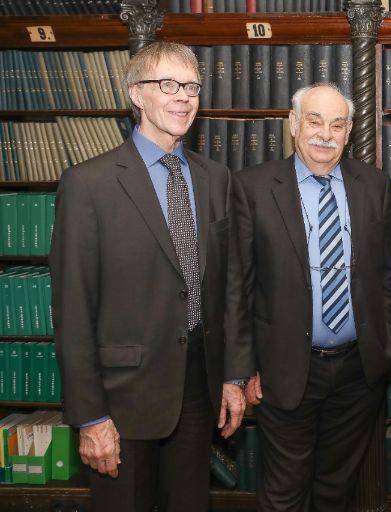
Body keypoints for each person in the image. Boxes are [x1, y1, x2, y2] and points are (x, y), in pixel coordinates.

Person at [50, 41, 253, 512]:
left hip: (198, 390)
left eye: (191, 87)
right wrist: (90, 416)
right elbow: (73, 309)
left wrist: (233, 376)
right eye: (168, 85)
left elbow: (230, 286)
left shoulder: (216, 178)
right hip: (121, 402)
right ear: (135, 94)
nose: (183, 97)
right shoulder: (88, 184)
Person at [234, 83, 391, 512]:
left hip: (357, 371)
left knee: (336, 490)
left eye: (337, 124)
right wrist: (245, 368)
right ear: (293, 124)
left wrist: (385, 345)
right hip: (284, 370)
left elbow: (386, 275)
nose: (325, 133)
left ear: (349, 131)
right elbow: (239, 288)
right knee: (285, 494)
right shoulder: (252, 187)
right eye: (314, 120)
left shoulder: (375, 185)